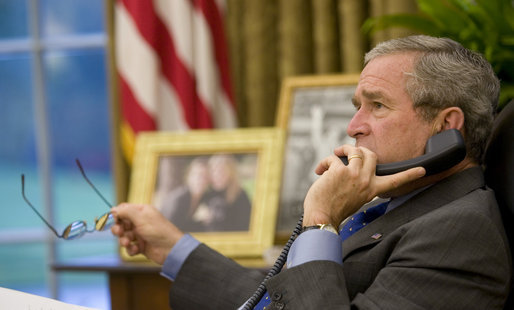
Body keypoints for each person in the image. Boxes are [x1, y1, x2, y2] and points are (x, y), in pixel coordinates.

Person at [111, 35, 511, 309]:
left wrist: (320, 221)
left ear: (446, 126)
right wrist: (172, 248)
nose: (354, 125)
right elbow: (282, 298)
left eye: (378, 106)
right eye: (358, 105)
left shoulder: (459, 231)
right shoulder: (398, 203)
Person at [159, 157, 213, 232]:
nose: (200, 179)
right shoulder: (179, 200)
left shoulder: (203, 197)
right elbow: (171, 230)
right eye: (197, 174)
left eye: (205, 176)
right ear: (189, 176)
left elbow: (184, 225)